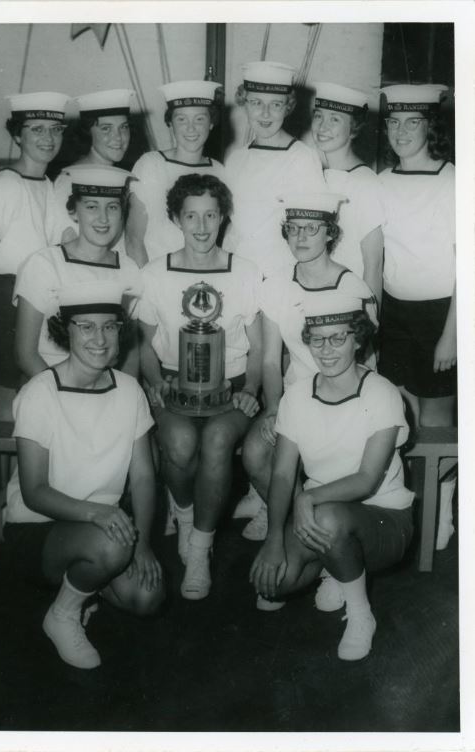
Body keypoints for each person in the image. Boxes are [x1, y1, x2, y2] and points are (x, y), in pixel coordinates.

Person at [3, 282, 164, 670]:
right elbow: (34, 492)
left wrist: (141, 544)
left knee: (148, 596)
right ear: (66, 330)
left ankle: (84, 585)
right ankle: (62, 614)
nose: (100, 338)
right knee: (110, 546)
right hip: (37, 531)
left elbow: (144, 477)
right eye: (86, 327)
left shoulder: (128, 391)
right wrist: (97, 515)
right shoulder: (40, 393)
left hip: (103, 530)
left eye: (109, 327)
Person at [249, 292, 414, 661]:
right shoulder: (296, 397)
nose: (326, 350)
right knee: (273, 585)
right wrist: (275, 538)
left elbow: (367, 479)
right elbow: (280, 474)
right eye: (318, 339)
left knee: (328, 517)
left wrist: (306, 498)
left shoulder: (382, 393)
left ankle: (360, 614)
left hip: (384, 518)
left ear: (358, 340)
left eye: (338, 338)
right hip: (323, 516)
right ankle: (337, 568)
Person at [138, 173, 262, 600]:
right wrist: (155, 382)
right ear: (176, 218)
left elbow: (260, 346)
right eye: (192, 215)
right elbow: (143, 343)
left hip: (231, 386)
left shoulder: (245, 272)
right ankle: (187, 517)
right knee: (178, 442)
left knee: (215, 441)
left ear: (224, 217)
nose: (202, 226)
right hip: (175, 381)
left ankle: (200, 549)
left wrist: (254, 387)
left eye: (211, 214)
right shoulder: (155, 273)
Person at [240, 193, 377, 540]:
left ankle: (315, 530)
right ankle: (288, 515)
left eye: (311, 229)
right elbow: (271, 360)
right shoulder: (276, 285)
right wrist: (274, 408)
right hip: (295, 396)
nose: (300, 238)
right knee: (256, 452)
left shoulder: (354, 288)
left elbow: (368, 364)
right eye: (293, 229)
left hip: (345, 398)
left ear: (330, 233)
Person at [378, 84, 456, 549]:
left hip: (440, 314)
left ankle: (442, 511)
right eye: (394, 121)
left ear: (431, 127)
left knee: (436, 421)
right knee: (400, 413)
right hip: (395, 312)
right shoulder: (382, 181)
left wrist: (452, 335)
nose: (402, 131)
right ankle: (407, 502)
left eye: (413, 122)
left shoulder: (454, 181)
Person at [0, 91, 69, 420]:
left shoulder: (45, 183)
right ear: (17, 135)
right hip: (3, 302)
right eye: (37, 129)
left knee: (31, 407)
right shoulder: (7, 185)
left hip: (36, 303)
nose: (48, 138)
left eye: (55, 130)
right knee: (3, 404)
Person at [14, 164, 142, 379]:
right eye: (92, 207)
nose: (103, 218)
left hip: (107, 387)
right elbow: (25, 355)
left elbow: (131, 353)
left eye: (112, 207)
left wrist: (121, 393)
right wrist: (63, 394)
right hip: (50, 383)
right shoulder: (44, 264)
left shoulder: (129, 269)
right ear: (73, 212)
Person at [224, 61, 325, 279]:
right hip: (237, 270)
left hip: (281, 273)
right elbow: (233, 227)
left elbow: (311, 230)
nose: (266, 113)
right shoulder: (236, 158)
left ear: (287, 107)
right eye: (256, 103)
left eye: (276, 104)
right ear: (244, 102)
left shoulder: (302, 158)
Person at [125, 80, 226, 267]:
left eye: (199, 119)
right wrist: (147, 288)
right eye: (181, 119)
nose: (190, 128)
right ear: (170, 123)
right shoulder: (151, 164)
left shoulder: (219, 170)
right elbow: (133, 239)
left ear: (211, 123)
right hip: (157, 276)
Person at [311, 82, 385, 305]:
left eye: (335, 119)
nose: (322, 127)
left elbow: (373, 264)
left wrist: (371, 320)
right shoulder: (314, 175)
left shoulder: (365, 183)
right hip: (313, 295)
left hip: (348, 301)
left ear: (353, 128)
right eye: (318, 116)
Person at [53, 89, 135, 247]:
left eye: (123, 127)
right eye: (106, 128)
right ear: (88, 132)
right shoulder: (70, 179)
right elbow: (67, 243)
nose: (118, 137)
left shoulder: (123, 178)